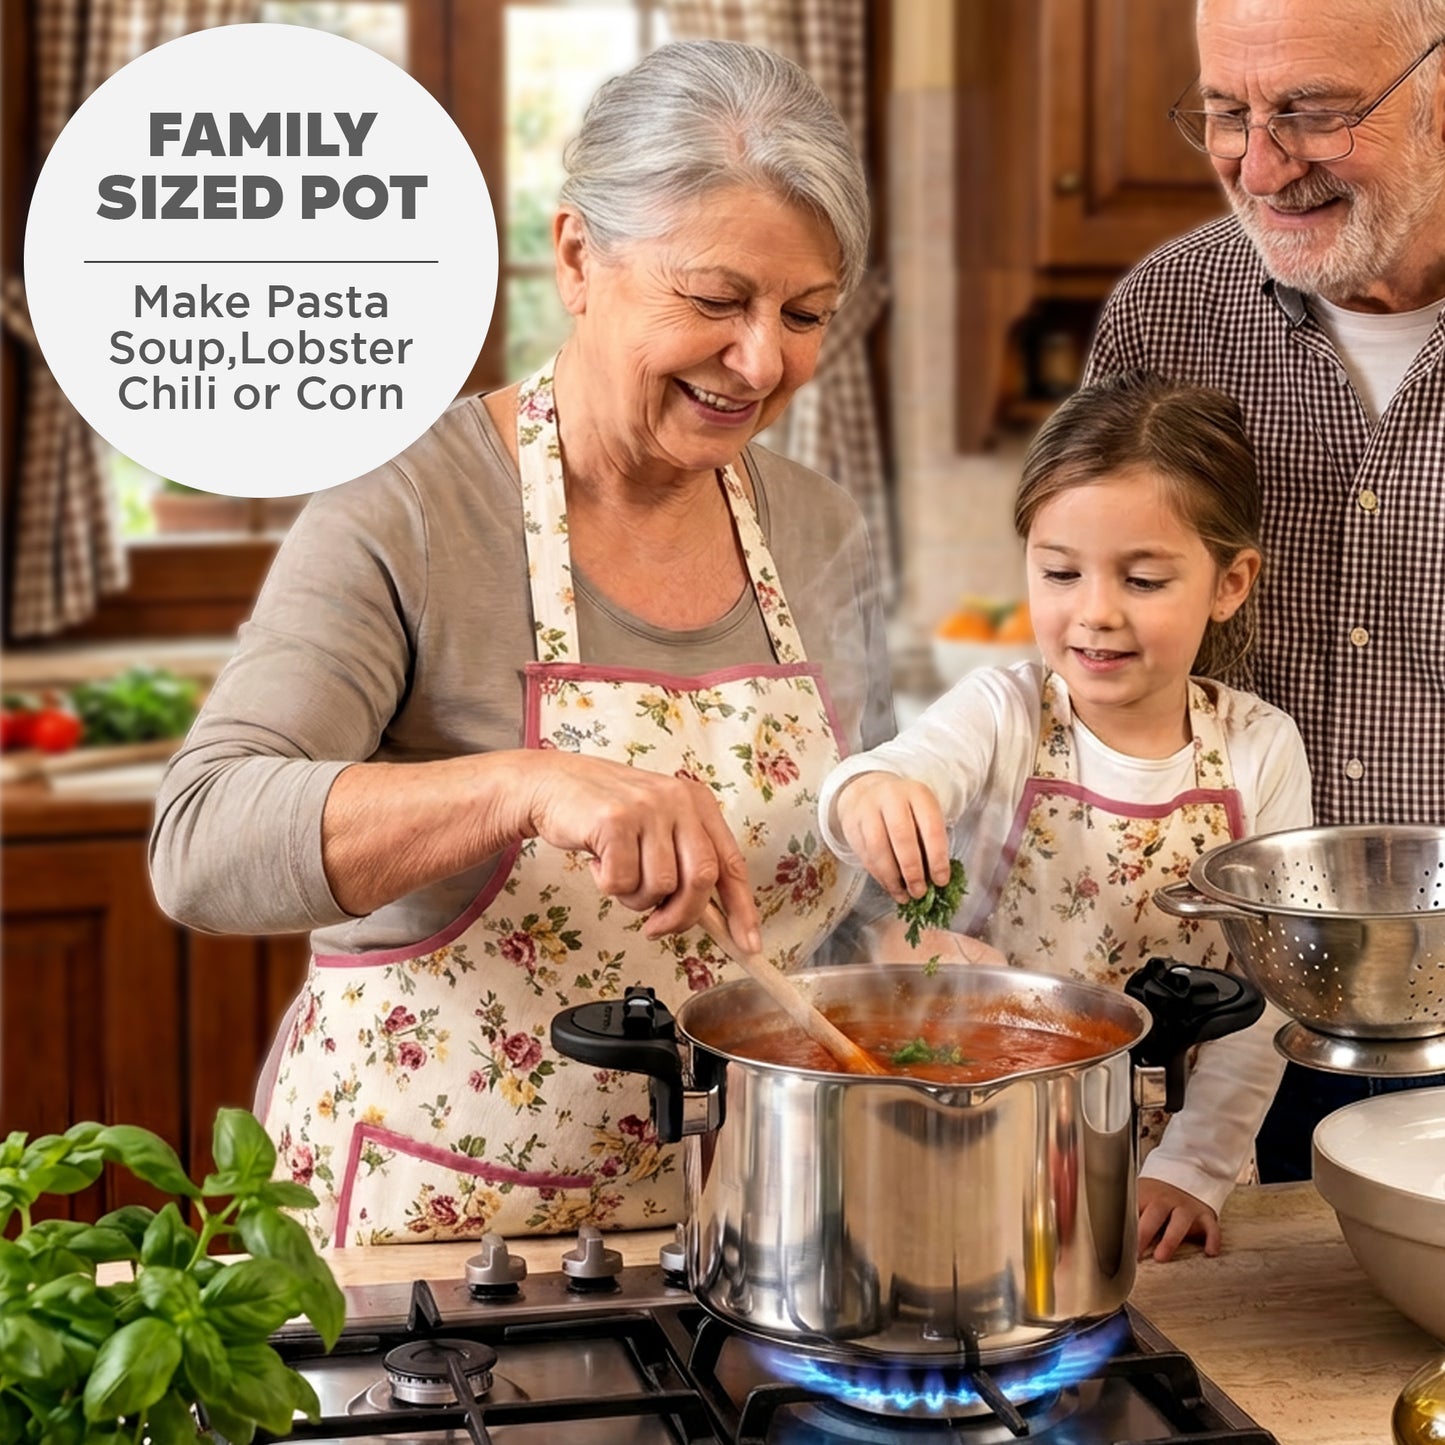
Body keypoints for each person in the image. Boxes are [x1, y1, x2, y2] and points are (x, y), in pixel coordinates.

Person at [148, 40, 894, 1247]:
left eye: (802, 315)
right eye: (713, 301)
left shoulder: (817, 528)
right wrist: (526, 782)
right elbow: (202, 839)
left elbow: (833, 872)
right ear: (577, 258)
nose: (761, 361)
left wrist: (921, 929)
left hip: (729, 1235)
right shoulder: (405, 506)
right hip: (423, 1242)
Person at [818, 374, 1314, 1263]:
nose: (1094, 612)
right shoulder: (1004, 711)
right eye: (1059, 572)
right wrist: (868, 794)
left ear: (1228, 582)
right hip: (976, 1138)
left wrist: (1192, 1168)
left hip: (1164, 1183)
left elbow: (1269, 994)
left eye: (1144, 577)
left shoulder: (1258, 749)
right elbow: (900, 769)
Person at [1083, 0, 1445, 1181]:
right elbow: (1093, 668)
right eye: (1224, 114)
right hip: (1221, 1042)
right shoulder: (1162, 318)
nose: (1257, 162)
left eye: (1307, 112)